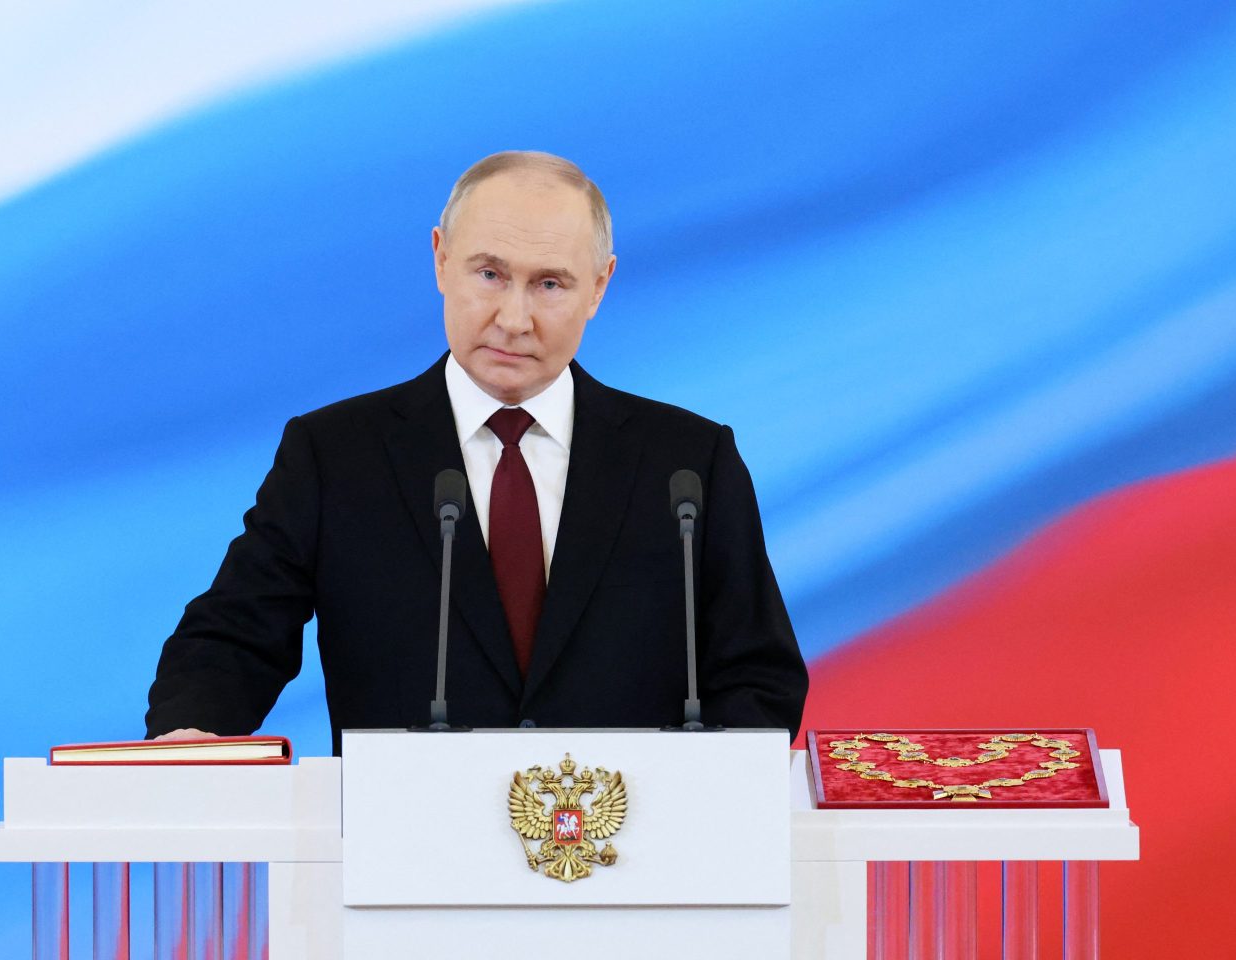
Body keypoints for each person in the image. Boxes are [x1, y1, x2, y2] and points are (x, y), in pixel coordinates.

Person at [146, 151, 806, 753]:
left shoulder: (687, 464)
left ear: (600, 286)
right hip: (401, 863)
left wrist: (702, 811)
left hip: (619, 861)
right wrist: (192, 731)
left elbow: (758, 675)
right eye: (490, 274)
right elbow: (232, 637)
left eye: (550, 284)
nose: (514, 319)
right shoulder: (335, 455)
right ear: (439, 259)